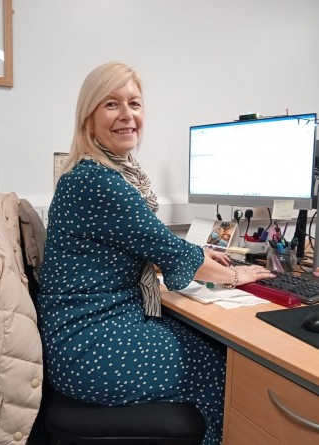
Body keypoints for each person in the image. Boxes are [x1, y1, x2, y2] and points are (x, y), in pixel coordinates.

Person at [36, 61, 275, 445]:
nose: (127, 115)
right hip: (87, 345)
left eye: (135, 103)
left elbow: (155, 244)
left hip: (87, 328)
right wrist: (236, 275)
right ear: (89, 119)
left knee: (208, 342)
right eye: (111, 104)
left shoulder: (107, 173)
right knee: (225, 364)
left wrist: (201, 259)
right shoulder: (96, 182)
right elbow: (174, 253)